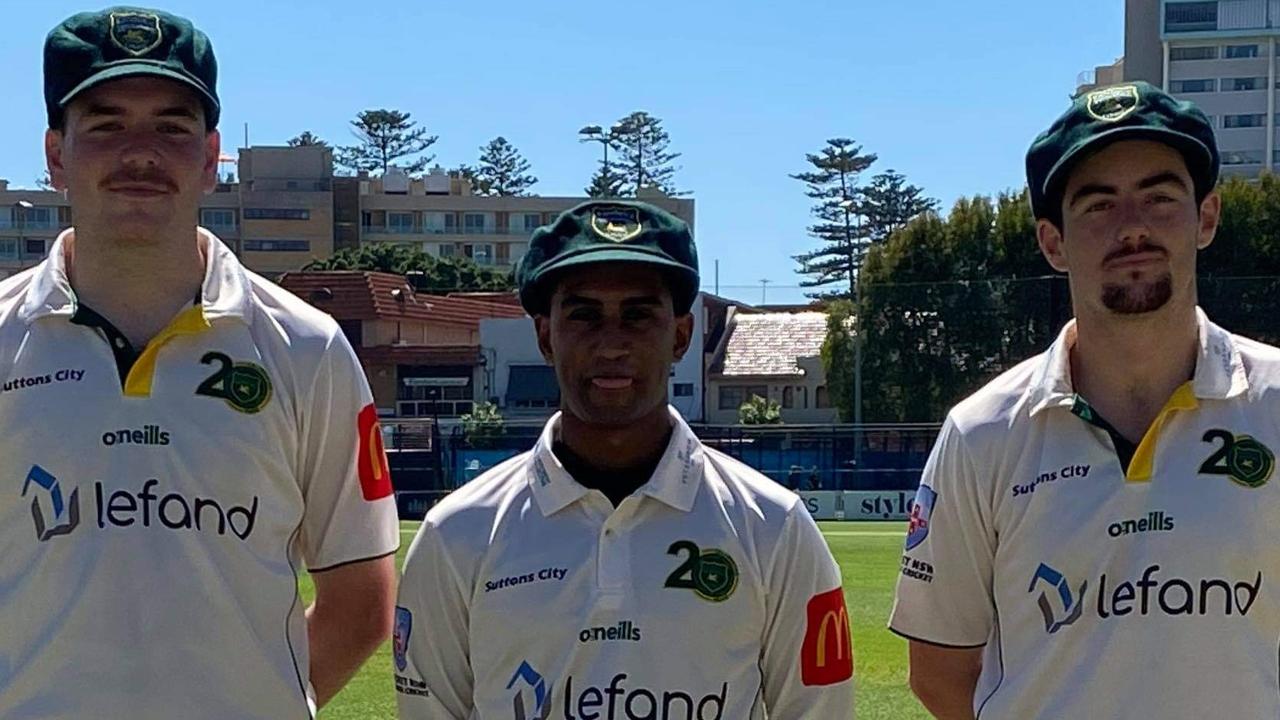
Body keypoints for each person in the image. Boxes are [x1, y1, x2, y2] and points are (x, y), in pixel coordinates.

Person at [0, 7, 398, 718]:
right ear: (57, 154)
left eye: (172, 127)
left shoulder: (307, 348)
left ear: (211, 156)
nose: (141, 152)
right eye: (106, 124)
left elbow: (361, 596)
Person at [890, 81, 1280, 718]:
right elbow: (939, 672)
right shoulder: (982, 432)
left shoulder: (1274, 404)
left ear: (1205, 217)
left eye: (1159, 197)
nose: (1132, 228)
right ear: (1053, 243)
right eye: (1099, 206)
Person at [395, 200, 855, 718]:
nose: (611, 344)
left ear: (680, 335)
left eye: (637, 315)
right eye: (584, 315)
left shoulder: (774, 526)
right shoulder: (457, 533)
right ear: (546, 335)